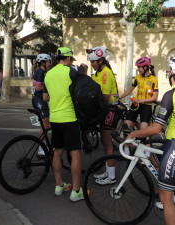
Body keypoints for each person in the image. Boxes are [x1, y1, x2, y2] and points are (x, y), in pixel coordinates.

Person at [126, 56, 175, 225]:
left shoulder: (171, 95)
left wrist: (133, 134)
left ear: (172, 73)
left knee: (166, 199)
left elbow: (155, 129)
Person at [43, 47, 88, 201]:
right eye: (71, 60)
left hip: (54, 118)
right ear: (68, 59)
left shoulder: (48, 74)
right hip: (69, 117)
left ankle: (59, 185)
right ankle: (76, 191)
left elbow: (45, 97)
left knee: (57, 152)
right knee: (75, 153)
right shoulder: (71, 71)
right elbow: (84, 89)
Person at [86, 46, 119, 185]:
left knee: (107, 143)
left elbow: (104, 97)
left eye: (93, 61)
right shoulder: (97, 73)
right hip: (103, 110)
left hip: (110, 109)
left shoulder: (106, 73)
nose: (91, 64)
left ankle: (112, 177)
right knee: (106, 145)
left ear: (100, 60)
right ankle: (108, 171)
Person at [118, 56, 159, 167]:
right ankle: (127, 149)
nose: (138, 69)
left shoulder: (153, 79)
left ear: (146, 67)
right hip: (136, 104)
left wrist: (142, 100)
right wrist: (119, 97)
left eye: (139, 67)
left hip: (146, 106)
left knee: (144, 130)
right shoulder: (137, 78)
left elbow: (154, 98)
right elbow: (129, 90)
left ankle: (146, 154)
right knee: (126, 125)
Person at [32, 53, 51, 156]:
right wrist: (50, 85)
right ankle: (40, 148)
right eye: (48, 62)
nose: (49, 64)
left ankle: (44, 145)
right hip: (38, 99)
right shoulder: (41, 72)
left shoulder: (41, 71)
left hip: (40, 99)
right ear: (43, 63)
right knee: (45, 125)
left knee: (46, 124)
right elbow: (38, 88)